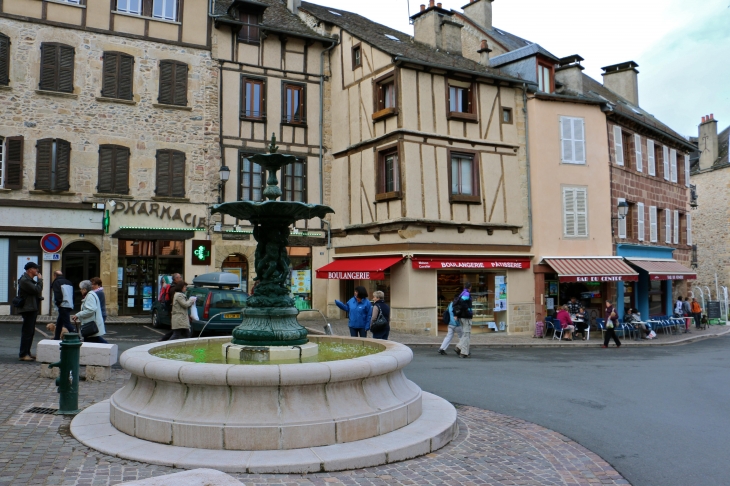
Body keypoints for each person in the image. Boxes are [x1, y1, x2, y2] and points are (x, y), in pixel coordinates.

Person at [18, 262, 43, 361]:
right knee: (27, 332)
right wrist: (40, 280)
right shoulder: (25, 280)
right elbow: (37, 290)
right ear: (29, 270)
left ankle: (27, 352)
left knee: (30, 332)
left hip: (32, 307)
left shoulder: (29, 280)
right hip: (28, 308)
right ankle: (23, 354)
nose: (37, 270)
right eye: (35, 268)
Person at [51, 270, 75, 340]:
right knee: (59, 323)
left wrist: (58, 303)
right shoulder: (69, 282)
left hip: (63, 305)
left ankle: (76, 335)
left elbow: (57, 294)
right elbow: (73, 294)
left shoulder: (56, 282)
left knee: (67, 323)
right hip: (69, 304)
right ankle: (57, 337)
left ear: (55, 275)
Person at [454, 282, 473, 358]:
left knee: (466, 334)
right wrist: (467, 310)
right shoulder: (466, 293)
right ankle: (464, 352)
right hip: (466, 317)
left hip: (461, 317)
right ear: (470, 287)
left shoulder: (462, 293)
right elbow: (462, 302)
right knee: (466, 334)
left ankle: (459, 347)